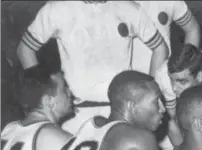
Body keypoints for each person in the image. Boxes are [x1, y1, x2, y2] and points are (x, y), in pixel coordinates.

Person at [16, 1, 169, 134]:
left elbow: (160, 48)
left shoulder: (129, 8)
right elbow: (25, 50)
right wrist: (44, 92)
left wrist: (147, 95)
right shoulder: (57, 9)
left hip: (121, 112)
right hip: (76, 113)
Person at [132, 0, 201, 74]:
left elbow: (192, 30)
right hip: (125, 78)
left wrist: (186, 65)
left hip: (162, 77)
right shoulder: (122, 5)